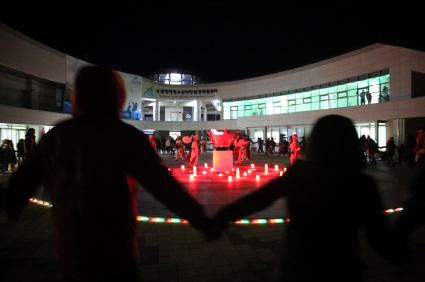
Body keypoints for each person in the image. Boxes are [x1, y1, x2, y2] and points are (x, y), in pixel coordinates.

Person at [0, 66, 215, 282]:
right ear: (117, 96)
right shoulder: (124, 136)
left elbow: (23, 179)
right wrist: (202, 221)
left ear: (77, 96)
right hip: (116, 251)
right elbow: (165, 187)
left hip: (72, 252)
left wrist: (13, 204)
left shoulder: (58, 136)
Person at [212, 115, 403, 282]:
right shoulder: (361, 183)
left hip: (298, 262)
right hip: (341, 265)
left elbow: (258, 199)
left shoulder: (300, 174)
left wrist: (221, 219)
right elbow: (379, 235)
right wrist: (403, 256)